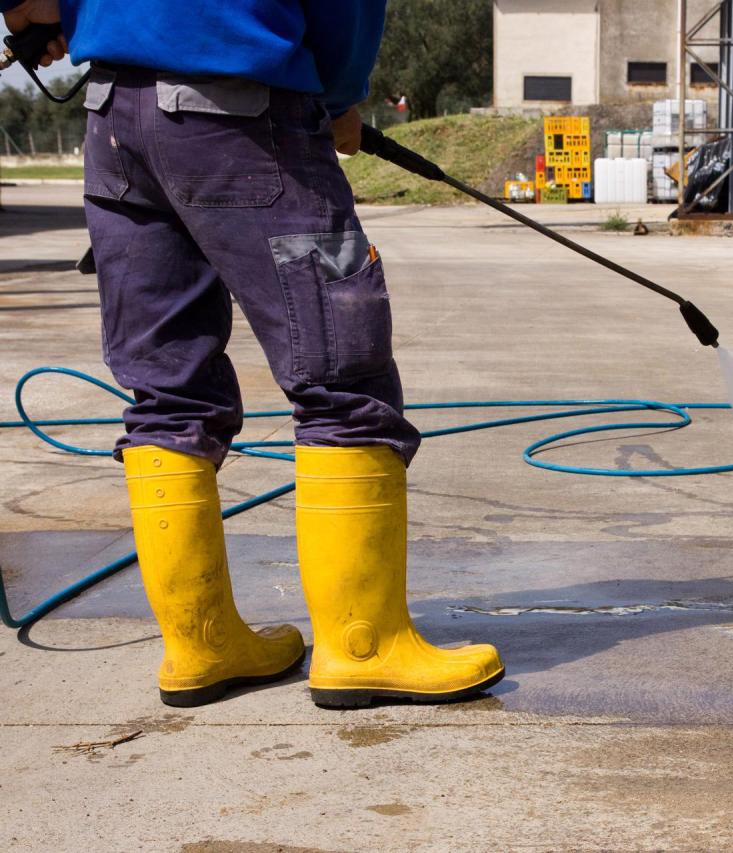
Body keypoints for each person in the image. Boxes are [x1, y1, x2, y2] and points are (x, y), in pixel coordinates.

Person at [1, 0, 503, 708]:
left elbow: (34, 3)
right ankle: (365, 644)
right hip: (242, 111)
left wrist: (30, 12)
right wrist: (336, 99)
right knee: (342, 372)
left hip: (117, 122)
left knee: (167, 388)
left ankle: (200, 641)